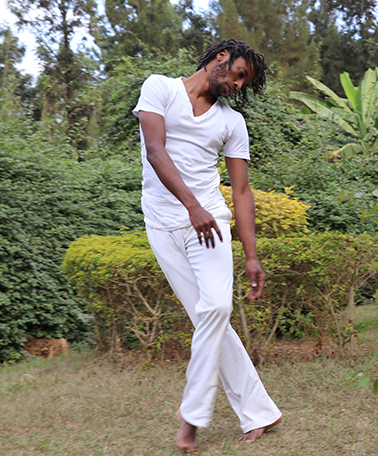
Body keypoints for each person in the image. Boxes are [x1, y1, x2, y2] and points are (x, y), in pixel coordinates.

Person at [132, 39, 283, 452]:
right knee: (208, 320)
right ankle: (260, 412)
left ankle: (192, 416)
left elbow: (242, 190)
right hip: (164, 224)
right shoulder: (160, 88)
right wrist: (190, 206)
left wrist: (251, 256)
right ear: (220, 58)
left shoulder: (231, 122)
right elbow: (155, 150)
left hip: (209, 223)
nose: (236, 84)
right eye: (235, 73)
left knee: (216, 308)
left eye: (243, 82)